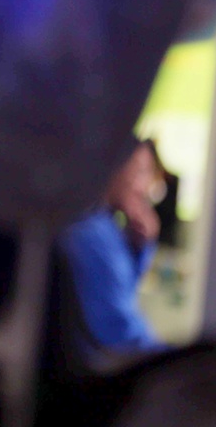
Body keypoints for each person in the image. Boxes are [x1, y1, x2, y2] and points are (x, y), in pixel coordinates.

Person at [63, 138, 167, 353]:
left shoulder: (109, 225)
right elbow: (120, 330)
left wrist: (141, 246)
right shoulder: (91, 232)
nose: (143, 187)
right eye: (138, 171)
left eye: (148, 173)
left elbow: (125, 290)